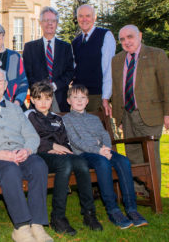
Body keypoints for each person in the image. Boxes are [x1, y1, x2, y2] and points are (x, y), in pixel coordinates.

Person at [0, 67, 52, 242]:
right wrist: (2, 154)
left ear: (6, 85)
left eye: (0, 81)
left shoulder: (16, 110)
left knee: (39, 165)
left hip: (20, 153)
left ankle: (37, 225)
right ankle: (21, 227)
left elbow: (32, 136)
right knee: (10, 171)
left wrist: (27, 150)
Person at [62, 84, 148, 229]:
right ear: (69, 100)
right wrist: (98, 150)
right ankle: (113, 210)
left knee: (123, 161)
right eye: (75, 97)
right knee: (103, 163)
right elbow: (76, 141)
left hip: (103, 150)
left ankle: (131, 208)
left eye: (83, 97)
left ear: (87, 101)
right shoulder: (67, 119)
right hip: (84, 154)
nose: (79, 100)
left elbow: (104, 134)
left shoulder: (94, 118)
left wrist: (107, 148)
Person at [25, 81, 102, 235]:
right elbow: (29, 139)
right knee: (65, 164)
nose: (43, 103)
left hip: (61, 153)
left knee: (81, 163)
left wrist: (64, 149)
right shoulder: (28, 116)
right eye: (39, 99)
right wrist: (51, 147)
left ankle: (89, 213)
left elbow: (64, 140)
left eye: (47, 99)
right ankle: (58, 217)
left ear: (51, 99)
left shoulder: (57, 118)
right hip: (39, 154)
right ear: (32, 100)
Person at [111, 25, 169, 194]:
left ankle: (153, 193)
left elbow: (168, 86)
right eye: (122, 39)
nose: (126, 42)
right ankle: (139, 190)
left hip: (150, 114)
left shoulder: (156, 55)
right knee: (132, 155)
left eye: (130, 37)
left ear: (140, 35)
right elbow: (117, 90)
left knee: (150, 155)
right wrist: (119, 118)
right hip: (127, 115)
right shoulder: (117, 60)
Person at [23, 7, 74, 112]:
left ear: (57, 23)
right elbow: (27, 74)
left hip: (60, 100)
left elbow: (70, 72)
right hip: (38, 100)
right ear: (40, 23)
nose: (50, 23)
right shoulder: (30, 47)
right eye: (46, 20)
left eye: (53, 21)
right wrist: (41, 90)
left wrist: (55, 86)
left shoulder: (66, 47)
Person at [71, 4, 115, 116]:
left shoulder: (105, 35)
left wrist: (105, 97)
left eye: (88, 16)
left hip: (97, 96)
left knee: (99, 131)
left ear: (94, 17)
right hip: (79, 97)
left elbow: (108, 69)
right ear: (77, 19)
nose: (84, 19)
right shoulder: (75, 42)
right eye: (81, 16)